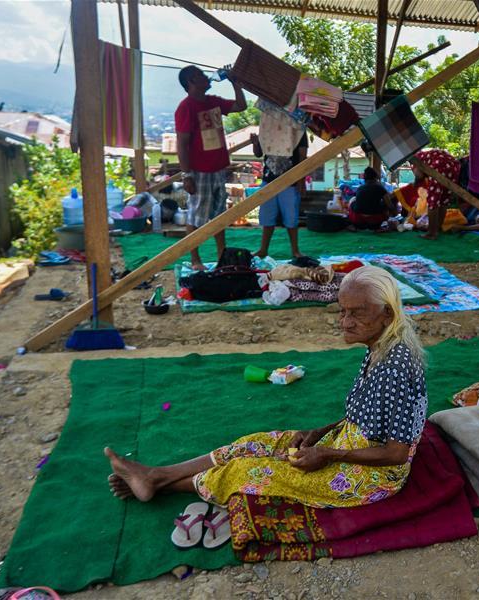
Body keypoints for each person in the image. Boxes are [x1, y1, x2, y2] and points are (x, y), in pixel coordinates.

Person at [104, 266, 428, 511]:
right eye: (343, 311)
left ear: (387, 313)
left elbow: (395, 453)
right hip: (350, 443)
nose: (345, 321)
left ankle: (158, 483)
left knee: (250, 470)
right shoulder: (382, 345)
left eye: (357, 313)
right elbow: (369, 418)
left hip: (372, 476)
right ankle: (156, 475)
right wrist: (320, 432)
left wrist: (329, 453)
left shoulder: (396, 365)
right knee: (257, 443)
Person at [175, 65, 247, 271]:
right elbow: (182, 143)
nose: (207, 77)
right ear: (191, 82)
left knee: (218, 216)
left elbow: (241, 106)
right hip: (199, 171)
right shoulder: (186, 107)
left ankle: (221, 256)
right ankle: (195, 259)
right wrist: (186, 175)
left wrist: (235, 82)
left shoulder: (213, 101)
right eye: (200, 75)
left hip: (218, 169)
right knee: (196, 216)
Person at [251, 131, 308, 258]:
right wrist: (255, 143)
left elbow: (302, 156)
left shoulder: (298, 128)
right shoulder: (267, 126)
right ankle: (263, 249)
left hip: (290, 182)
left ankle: (295, 250)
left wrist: (301, 181)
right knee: (267, 216)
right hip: (268, 180)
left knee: (291, 218)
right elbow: (259, 153)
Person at [411, 149, 460, 240]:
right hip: (454, 166)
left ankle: (431, 233)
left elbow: (419, 175)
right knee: (443, 201)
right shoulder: (426, 155)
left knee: (433, 201)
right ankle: (437, 229)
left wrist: (417, 181)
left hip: (440, 165)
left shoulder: (415, 159)